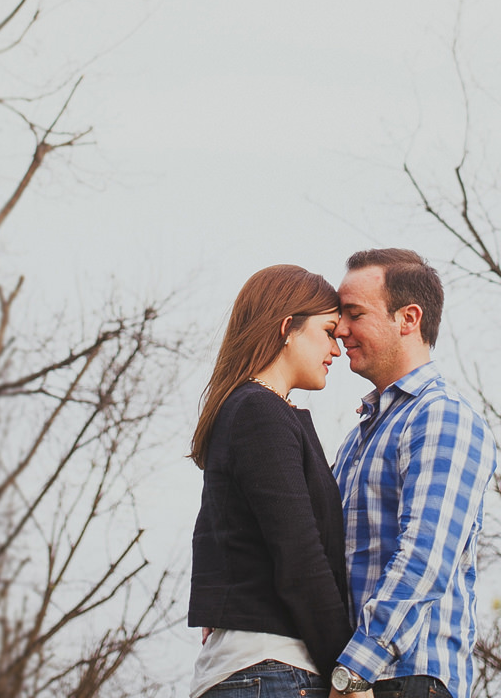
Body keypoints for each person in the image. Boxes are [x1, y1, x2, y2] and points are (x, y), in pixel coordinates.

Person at [328, 249, 497, 698]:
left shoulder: (441, 417)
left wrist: (354, 669)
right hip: (359, 681)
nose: (340, 329)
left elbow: (425, 556)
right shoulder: (357, 439)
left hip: (403, 680)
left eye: (354, 313)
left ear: (408, 318)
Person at [189, 265, 355, 698]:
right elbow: (300, 557)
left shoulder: (250, 410)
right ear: (287, 328)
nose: (336, 349)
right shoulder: (259, 412)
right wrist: (348, 675)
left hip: (262, 672)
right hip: (273, 671)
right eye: (328, 332)